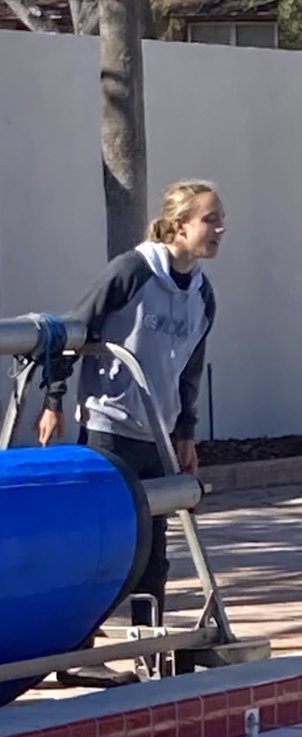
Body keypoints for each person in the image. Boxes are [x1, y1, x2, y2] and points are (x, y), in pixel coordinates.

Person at [38, 179, 223, 688]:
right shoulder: (131, 272)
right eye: (210, 219)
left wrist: (187, 432)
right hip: (107, 427)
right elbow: (73, 330)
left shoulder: (202, 293)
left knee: (154, 552)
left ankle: (150, 649)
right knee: (103, 545)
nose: (220, 229)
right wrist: (54, 401)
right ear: (179, 224)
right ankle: (76, 653)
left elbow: (191, 369)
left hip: (158, 433)